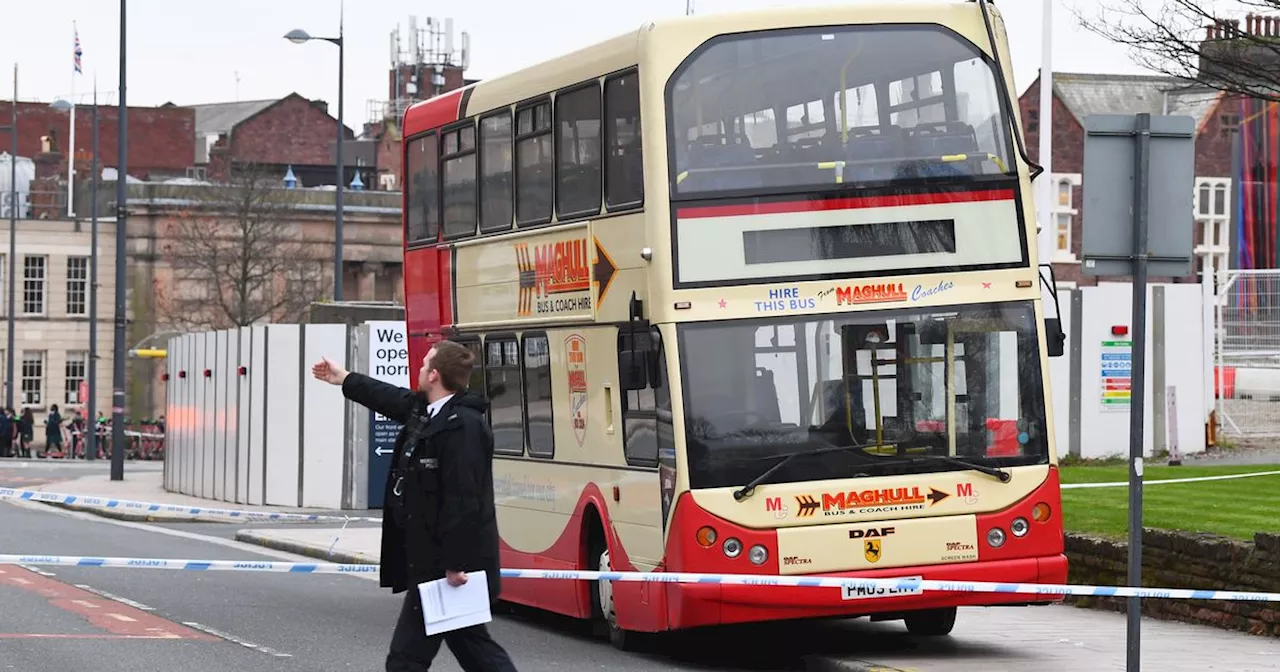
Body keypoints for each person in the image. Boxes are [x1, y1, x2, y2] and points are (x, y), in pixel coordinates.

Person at [312, 340, 517, 672]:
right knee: (472, 649)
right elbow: (388, 397)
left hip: (447, 568)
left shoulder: (463, 426)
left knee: (407, 660)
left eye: (424, 366)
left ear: (434, 375)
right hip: (431, 560)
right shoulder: (427, 412)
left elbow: (463, 499)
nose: (419, 370)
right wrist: (344, 378)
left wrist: (455, 563)